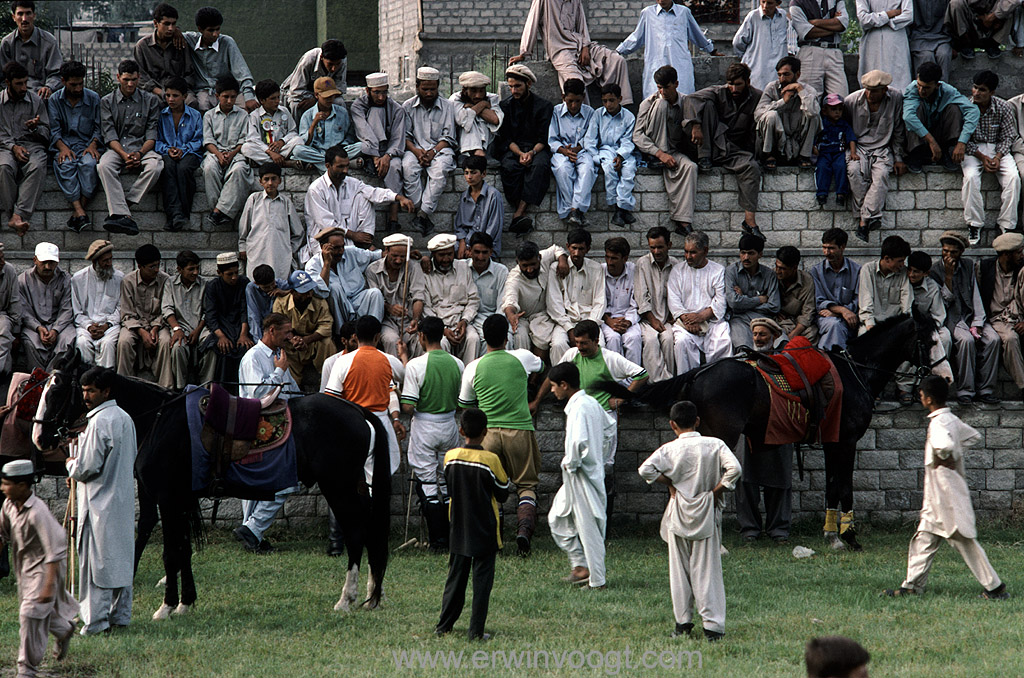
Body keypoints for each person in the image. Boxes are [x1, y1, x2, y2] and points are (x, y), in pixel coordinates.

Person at [882, 375, 1009, 600]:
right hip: (939, 495)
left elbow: (945, 445)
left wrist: (944, 457)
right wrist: (955, 455)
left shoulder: (938, 424)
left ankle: (995, 587)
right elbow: (973, 436)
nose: (920, 398)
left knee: (964, 542)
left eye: (921, 395)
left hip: (945, 495)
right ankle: (911, 586)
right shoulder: (950, 419)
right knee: (924, 539)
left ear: (929, 399)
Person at [638, 400, 741, 641]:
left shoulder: (668, 450)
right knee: (707, 569)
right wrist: (716, 492)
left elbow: (645, 470)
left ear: (672, 424)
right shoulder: (715, 445)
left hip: (679, 511)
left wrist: (671, 484)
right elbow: (734, 469)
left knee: (679, 570)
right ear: (697, 421)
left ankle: (683, 624)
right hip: (706, 511)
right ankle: (712, 627)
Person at [532, 319, 646, 519]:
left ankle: (604, 518)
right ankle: (581, 514)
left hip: (603, 420)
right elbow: (553, 376)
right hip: (577, 417)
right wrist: (536, 401)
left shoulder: (610, 359)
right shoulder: (571, 355)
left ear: (596, 340)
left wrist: (622, 399)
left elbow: (641, 374)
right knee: (576, 463)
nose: (580, 347)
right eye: (577, 342)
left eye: (584, 343)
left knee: (605, 467)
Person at [458, 314, 544, 555]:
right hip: (520, 430)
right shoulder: (522, 358)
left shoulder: (473, 367)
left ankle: (495, 539)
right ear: (508, 336)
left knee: (490, 489)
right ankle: (524, 532)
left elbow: (466, 404)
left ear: (484, 337)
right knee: (526, 485)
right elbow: (542, 366)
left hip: (488, 436)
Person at [67, 366, 137, 635]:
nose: (86, 396)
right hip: (120, 499)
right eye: (84, 390)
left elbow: (87, 468)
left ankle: (96, 623)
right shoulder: (125, 418)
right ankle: (120, 616)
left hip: (98, 502)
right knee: (119, 558)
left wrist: (71, 464)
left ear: (106, 391)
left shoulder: (99, 422)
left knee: (97, 564)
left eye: (91, 391)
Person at [434, 408, 509, 641]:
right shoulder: (491, 460)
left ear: (460, 430)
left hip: (458, 525)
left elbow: (448, 483)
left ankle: (443, 626)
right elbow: (503, 492)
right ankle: (475, 631)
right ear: (486, 432)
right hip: (485, 527)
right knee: (482, 581)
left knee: (455, 578)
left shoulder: (450, 457)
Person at [0, 459, 78, 675]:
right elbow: (2, 534)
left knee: (29, 613)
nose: (2, 488)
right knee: (38, 611)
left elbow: (56, 550)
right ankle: (64, 630)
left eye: (7, 484)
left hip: (47, 568)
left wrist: (48, 586)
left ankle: (26, 668)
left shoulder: (38, 512)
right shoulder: (8, 505)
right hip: (25, 567)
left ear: (23, 486)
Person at [234, 313, 300, 553]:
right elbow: (256, 396)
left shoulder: (278, 356)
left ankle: (251, 532)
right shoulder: (253, 357)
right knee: (263, 483)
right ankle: (250, 530)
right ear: (271, 330)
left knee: (266, 483)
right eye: (286, 332)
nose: (290, 336)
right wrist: (279, 372)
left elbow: (292, 392)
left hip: (279, 427)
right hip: (258, 428)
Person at [400, 316, 465, 551]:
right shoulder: (458, 364)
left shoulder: (416, 365)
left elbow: (407, 405)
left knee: (428, 483)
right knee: (446, 482)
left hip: (425, 426)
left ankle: (439, 541)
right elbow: (461, 402)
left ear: (422, 336)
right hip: (449, 424)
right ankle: (452, 536)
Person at [547, 362, 609, 590]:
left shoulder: (581, 407)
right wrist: (600, 455)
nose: (552, 391)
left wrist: (571, 463)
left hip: (581, 473)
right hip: (581, 471)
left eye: (554, 386)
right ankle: (580, 566)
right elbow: (609, 428)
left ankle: (597, 580)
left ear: (564, 385)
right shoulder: (589, 403)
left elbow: (578, 441)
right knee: (557, 518)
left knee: (588, 526)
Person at [684, 62, 762, 235]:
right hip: (711, 145)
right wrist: (696, 125)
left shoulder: (757, 96)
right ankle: (704, 157)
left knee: (752, 167)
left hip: (734, 150)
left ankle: (749, 222)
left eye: (738, 84)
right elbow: (691, 99)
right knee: (707, 105)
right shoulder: (718, 92)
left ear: (748, 82)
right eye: (730, 84)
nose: (733, 88)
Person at [324, 315, 406, 476]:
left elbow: (331, 398)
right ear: (377, 337)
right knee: (379, 476)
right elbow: (404, 375)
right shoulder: (389, 360)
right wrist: (403, 356)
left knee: (354, 475)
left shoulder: (342, 362)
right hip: (381, 423)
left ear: (355, 336)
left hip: (352, 424)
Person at [511, 0, 632, 105]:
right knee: (575, 82)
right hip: (560, 50)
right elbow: (532, 22)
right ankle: (585, 120)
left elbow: (582, 26)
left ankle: (619, 110)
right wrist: (524, 52)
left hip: (581, 44)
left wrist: (585, 47)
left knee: (617, 61)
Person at [738, 317, 794, 544]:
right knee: (745, 480)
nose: (758, 339)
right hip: (748, 429)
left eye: (763, 334)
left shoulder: (784, 362)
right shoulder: (743, 362)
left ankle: (778, 529)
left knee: (779, 478)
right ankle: (749, 529)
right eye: (755, 334)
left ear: (773, 336)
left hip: (780, 426)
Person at [930, 230, 1000, 405]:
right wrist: (948, 276)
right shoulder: (935, 270)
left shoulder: (968, 266)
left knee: (993, 339)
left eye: (953, 252)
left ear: (961, 253)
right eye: (945, 251)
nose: (948, 255)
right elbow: (944, 302)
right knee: (966, 340)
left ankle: (985, 389)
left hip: (971, 316)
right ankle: (965, 391)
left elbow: (975, 295)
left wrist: (978, 322)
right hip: (952, 319)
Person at [304, 147, 413, 256]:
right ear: (328, 166)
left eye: (347, 166)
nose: (345, 170)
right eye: (340, 167)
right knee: (347, 254)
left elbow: (373, 192)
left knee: (365, 196)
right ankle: (366, 248)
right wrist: (353, 235)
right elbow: (326, 224)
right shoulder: (316, 190)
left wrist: (399, 198)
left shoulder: (351, 182)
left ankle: (365, 242)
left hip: (352, 237)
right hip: (327, 240)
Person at [98, 59, 164, 236]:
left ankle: (125, 205)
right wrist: (124, 154)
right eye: (126, 79)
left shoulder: (150, 100)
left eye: (134, 79)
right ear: (118, 77)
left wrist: (140, 153)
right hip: (117, 148)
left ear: (139, 78)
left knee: (156, 166)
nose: (130, 83)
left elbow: (152, 134)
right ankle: (123, 214)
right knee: (104, 166)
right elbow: (109, 133)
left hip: (142, 148)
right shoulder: (107, 101)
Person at [633, 65, 698, 237]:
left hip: (675, 150)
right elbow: (637, 136)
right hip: (654, 151)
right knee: (661, 104)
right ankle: (658, 158)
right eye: (659, 87)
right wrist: (659, 153)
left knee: (691, 167)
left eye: (666, 87)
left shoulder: (685, 101)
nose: (662, 91)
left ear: (676, 84)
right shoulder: (648, 103)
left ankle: (683, 222)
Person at [843, 70, 908, 241]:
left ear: (885, 89)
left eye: (875, 91)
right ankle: (871, 216)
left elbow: (899, 130)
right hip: (857, 147)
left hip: (883, 148)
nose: (870, 94)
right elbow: (846, 129)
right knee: (854, 171)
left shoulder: (896, 98)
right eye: (868, 90)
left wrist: (899, 157)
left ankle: (863, 220)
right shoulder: (851, 101)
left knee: (881, 176)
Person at [492, 64, 553, 235]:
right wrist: (520, 153)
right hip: (514, 149)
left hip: (537, 148)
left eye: (517, 86)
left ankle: (520, 212)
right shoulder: (505, 106)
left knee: (540, 167)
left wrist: (531, 153)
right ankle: (520, 213)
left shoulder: (544, 106)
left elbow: (544, 137)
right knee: (510, 167)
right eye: (510, 86)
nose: (513, 90)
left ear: (528, 84)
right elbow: (506, 137)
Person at [617, 0, 720, 99]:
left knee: (684, 99)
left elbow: (697, 34)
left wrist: (711, 50)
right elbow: (636, 37)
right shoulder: (648, 13)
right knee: (655, 101)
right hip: (656, 64)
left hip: (680, 65)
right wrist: (618, 51)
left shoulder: (683, 12)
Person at [962, 69, 1018, 244]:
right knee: (970, 178)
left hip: (997, 148)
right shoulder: (965, 106)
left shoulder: (1004, 106)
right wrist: (982, 157)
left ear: (991, 92)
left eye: (982, 90)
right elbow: (963, 139)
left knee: (1013, 178)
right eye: (975, 88)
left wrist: (998, 157)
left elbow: (1009, 135)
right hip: (973, 149)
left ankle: (1006, 225)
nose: (977, 93)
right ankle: (974, 224)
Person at [48, 59, 101, 233]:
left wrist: (93, 145)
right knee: (65, 165)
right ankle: (80, 212)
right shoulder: (55, 100)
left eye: (80, 84)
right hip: (64, 145)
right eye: (73, 84)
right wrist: (62, 148)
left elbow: (99, 128)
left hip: (86, 145)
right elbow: (54, 130)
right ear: (63, 81)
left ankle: (78, 213)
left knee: (89, 165)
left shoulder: (93, 98)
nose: (78, 88)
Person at [402, 67, 456, 236]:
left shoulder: (448, 106)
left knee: (440, 172)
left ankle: (423, 214)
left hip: (440, 150)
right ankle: (420, 210)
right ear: (417, 87)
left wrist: (432, 152)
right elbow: (405, 137)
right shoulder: (408, 106)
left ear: (438, 86)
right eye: (425, 89)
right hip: (414, 149)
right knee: (408, 168)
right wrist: (418, 152)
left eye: (433, 89)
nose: (429, 93)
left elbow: (448, 137)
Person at [667, 230, 731, 373]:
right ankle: (687, 384)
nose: (688, 256)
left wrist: (701, 317)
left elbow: (720, 300)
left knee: (723, 341)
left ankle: (719, 383)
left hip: (712, 321)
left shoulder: (717, 271)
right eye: (686, 252)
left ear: (705, 251)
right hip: (685, 323)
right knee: (682, 342)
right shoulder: (678, 270)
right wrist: (687, 320)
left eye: (693, 252)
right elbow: (674, 299)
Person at [350, 73, 405, 232]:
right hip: (367, 149)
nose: (381, 97)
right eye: (377, 92)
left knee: (395, 167)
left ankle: (393, 218)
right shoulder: (358, 106)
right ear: (367, 91)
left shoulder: (396, 109)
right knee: (375, 112)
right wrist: (375, 156)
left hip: (389, 152)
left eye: (384, 92)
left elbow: (398, 138)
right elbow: (364, 132)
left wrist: (387, 156)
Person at [902, 61, 979, 175]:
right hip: (919, 137)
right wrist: (931, 141)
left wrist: (962, 142)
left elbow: (973, 110)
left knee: (954, 109)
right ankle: (916, 154)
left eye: (927, 88)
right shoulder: (912, 89)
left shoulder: (948, 91)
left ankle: (947, 152)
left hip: (940, 133)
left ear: (937, 85)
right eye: (919, 85)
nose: (921, 91)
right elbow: (908, 117)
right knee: (915, 110)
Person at [0, 61, 48, 235]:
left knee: (38, 165)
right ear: (8, 83)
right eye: (18, 83)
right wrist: (13, 147)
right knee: (4, 168)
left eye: (25, 83)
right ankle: (12, 216)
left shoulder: (35, 101)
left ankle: (19, 214)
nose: (23, 87)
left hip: (31, 145)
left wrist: (35, 128)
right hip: (4, 147)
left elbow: (46, 132)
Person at [898, 250, 952, 403]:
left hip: (927, 326)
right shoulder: (902, 281)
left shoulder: (932, 287)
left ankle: (931, 382)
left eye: (916, 272)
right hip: (907, 325)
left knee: (945, 337)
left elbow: (938, 315)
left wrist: (926, 330)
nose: (911, 275)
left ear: (926, 273)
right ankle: (905, 387)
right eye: (910, 270)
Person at [179, 6, 257, 112]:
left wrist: (249, 97)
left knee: (246, 110)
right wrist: (176, 31)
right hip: (204, 92)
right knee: (202, 109)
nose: (215, 34)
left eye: (218, 29)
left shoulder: (227, 42)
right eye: (210, 30)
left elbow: (242, 73)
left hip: (229, 90)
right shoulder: (190, 40)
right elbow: (174, 32)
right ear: (200, 29)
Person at [305, 226, 385, 328]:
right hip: (335, 308)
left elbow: (375, 255)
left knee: (375, 293)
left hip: (357, 300)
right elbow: (321, 292)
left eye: (342, 246)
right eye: (336, 248)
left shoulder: (351, 252)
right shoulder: (312, 265)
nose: (341, 251)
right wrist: (327, 263)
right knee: (334, 288)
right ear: (323, 247)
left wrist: (402, 254)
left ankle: (372, 334)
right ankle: (341, 335)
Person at [502, 240, 568, 361]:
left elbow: (556, 249)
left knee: (543, 336)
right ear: (517, 262)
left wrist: (562, 260)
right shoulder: (514, 278)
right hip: (521, 318)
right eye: (525, 266)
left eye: (533, 264)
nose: (529, 270)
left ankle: (535, 378)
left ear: (539, 258)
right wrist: (511, 315)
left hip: (543, 315)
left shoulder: (545, 257)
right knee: (520, 338)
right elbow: (510, 300)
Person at [202, 75, 255, 227]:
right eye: (225, 97)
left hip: (236, 153)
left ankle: (218, 211)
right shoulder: (209, 115)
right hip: (214, 153)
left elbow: (243, 140)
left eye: (233, 97)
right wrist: (218, 154)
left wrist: (231, 154)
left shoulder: (243, 115)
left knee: (239, 170)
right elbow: (208, 140)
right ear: (217, 96)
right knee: (209, 168)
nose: (230, 101)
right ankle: (219, 210)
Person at [548, 229, 606, 364]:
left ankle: (592, 383)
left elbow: (600, 301)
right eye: (574, 248)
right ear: (568, 246)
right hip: (564, 322)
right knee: (558, 345)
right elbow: (554, 304)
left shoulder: (596, 269)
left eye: (581, 249)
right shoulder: (555, 268)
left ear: (588, 249)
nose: (577, 253)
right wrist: (569, 328)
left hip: (589, 321)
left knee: (599, 346)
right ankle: (561, 382)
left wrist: (589, 327)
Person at [366, 233, 427, 359]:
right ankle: (395, 377)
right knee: (391, 340)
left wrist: (415, 319)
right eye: (394, 256)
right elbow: (375, 299)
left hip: (408, 320)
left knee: (420, 343)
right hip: (386, 321)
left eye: (402, 257)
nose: (399, 260)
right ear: (386, 251)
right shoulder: (372, 270)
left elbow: (418, 297)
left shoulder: (414, 267)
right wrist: (389, 308)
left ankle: (414, 375)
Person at [583, 83, 637, 227]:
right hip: (605, 149)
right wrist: (596, 157)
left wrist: (621, 156)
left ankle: (622, 208)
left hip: (624, 151)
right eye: (605, 101)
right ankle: (616, 206)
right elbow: (590, 139)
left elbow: (628, 140)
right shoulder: (598, 114)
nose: (608, 104)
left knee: (629, 170)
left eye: (612, 100)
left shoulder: (628, 117)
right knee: (609, 168)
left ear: (619, 99)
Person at [160, 249, 214, 390]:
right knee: (178, 348)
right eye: (191, 269)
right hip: (180, 327)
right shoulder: (170, 284)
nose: (195, 272)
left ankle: (205, 386)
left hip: (201, 327)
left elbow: (207, 312)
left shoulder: (204, 284)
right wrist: (176, 329)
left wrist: (198, 330)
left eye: (197, 268)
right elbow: (167, 309)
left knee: (211, 345)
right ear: (179, 269)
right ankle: (180, 388)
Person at [754, 55, 820, 171]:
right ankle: (768, 155)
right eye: (779, 75)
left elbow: (813, 113)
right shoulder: (772, 88)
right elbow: (758, 114)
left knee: (813, 116)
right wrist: (782, 102)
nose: (782, 78)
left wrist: (800, 90)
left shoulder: (808, 90)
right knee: (770, 115)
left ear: (797, 74)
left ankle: (804, 156)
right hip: (776, 141)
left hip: (797, 141)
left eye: (786, 74)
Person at [116, 244, 171, 384]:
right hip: (135, 325)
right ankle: (124, 386)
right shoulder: (128, 281)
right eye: (152, 266)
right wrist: (141, 331)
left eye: (158, 265)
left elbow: (166, 309)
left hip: (159, 324)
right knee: (124, 341)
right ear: (140, 266)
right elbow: (127, 313)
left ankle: (165, 388)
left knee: (165, 341)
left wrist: (154, 328)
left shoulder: (165, 280)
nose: (157, 270)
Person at [238, 162, 302, 280]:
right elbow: (244, 227)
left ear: (280, 181)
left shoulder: (285, 202)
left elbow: (298, 231)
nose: (270, 183)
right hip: (257, 252)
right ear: (260, 182)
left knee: (279, 284)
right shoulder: (254, 200)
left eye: (274, 179)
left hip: (280, 254)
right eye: (266, 179)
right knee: (256, 284)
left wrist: (289, 249)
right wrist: (243, 247)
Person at [423, 233, 480, 362]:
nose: (446, 259)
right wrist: (442, 329)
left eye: (449, 254)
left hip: (461, 320)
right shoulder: (425, 273)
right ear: (433, 255)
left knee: (473, 338)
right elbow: (426, 307)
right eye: (441, 255)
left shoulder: (463, 267)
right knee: (440, 343)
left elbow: (473, 299)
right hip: (437, 324)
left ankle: (467, 380)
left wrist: (465, 321)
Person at [156, 76, 203, 232]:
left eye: (175, 96)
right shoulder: (162, 116)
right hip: (168, 152)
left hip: (190, 153)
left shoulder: (195, 115)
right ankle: (175, 214)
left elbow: (199, 139)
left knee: (183, 169)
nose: (171, 99)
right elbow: (157, 140)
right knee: (168, 167)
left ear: (184, 96)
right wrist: (167, 149)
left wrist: (184, 149)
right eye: (168, 95)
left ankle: (182, 212)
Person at [18, 242, 73, 372]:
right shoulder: (23, 280)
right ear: (35, 260)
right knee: (29, 342)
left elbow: (67, 309)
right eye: (44, 262)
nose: (48, 267)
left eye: (52, 263)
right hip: (35, 325)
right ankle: (38, 379)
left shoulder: (66, 279)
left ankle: (54, 378)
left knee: (69, 339)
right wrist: (38, 328)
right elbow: (24, 311)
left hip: (59, 324)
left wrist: (55, 330)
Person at [272, 270, 334, 386]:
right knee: (282, 351)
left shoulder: (319, 302)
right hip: (291, 345)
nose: (309, 295)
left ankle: (328, 383)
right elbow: (279, 328)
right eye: (304, 292)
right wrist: (293, 340)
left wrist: (306, 340)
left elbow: (326, 326)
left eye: (310, 290)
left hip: (312, 342)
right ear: (292, 292)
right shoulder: (280, 303)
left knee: (327, 342)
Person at [201, 252, 253, 386]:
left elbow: (245, 310)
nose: (234, 277)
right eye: (230, 274)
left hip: (240, 326)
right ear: (219, 273)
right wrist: (221, 336)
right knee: (224, 350)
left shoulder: (243, 282)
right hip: (221, 327)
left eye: (236, 273)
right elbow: (211, 315)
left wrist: (243, 334)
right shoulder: (213, 286)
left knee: (244, 349)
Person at [549, 78, 596, 227]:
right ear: (563, 98)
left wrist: (576, 149)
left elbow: (591, 136)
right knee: (562, 169)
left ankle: (574, 210)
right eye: (570, 101)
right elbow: (552, 138)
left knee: (588, 168)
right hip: (561, 151)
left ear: (583, 97)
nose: (574, 105)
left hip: (582, 150)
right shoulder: (555, 112)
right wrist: (565, 151)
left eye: (577, 101)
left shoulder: (590, 113)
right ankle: (575, 210)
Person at [983, 233, 1024, 401]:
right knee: (1010, 338)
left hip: (1017, 316)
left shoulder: (1022, 270)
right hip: (996, 319)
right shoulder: (985, 268)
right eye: (1019, 252)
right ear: (1006, 254)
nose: (1022, 255)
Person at [635, 226, 680, 381]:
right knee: (650, 340)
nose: (656, 251)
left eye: (660, 247)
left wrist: (675, 315)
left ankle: (669, 383)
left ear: (669, 245)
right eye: (652, 247)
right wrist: (653, 320)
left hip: (668, 319)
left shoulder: (676, 264)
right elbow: (641, 297)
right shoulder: (642, 263)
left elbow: (679, 293)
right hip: (647, 319)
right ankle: (658, 384)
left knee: (668, 339)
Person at [72, 240, 122, 369]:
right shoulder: (78, 279)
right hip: (85, 326)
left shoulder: (119, 278)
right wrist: (89, 326)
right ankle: (86, 382)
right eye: (105, 261)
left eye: (110, 259)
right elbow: (77, 311)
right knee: (82, 343)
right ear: (95, 261)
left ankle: (105, 383)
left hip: (110, 326)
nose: (109, 263)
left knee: (108, 343)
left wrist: (106, 325)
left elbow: (120, 308)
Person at [293, 76, 361, 172]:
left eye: (332, 96)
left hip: (338, 151)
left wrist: (340, 149)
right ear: (316, 95)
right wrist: (314, 124)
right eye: (326, 97)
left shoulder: (342, 112)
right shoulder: (307, 115)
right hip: (318, 152)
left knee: (362, 147)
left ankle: (328, 164)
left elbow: (349, 136)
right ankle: (338, 166)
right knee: (298, 151)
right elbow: (305, 142)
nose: (330, 99)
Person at [726, 233, 781, 349]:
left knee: (781, 344)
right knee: (744, 349)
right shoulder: (731, 272)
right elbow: (733, 303)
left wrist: (744, 301)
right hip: (739, 319)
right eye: (743, 253)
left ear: (760, 254)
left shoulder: (769, 274)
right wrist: (759, 300)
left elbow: (774, 306)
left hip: (763, 319)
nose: (746, 257)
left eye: (751, 253)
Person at [133, 3, 196, 104]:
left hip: (180, 90)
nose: (171, 28)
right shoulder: (143, 46)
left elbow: (190, 73)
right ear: (155, 23)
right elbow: (141, 77)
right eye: (166, 24)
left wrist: (178, 91)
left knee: (192, 102)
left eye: (173, 24)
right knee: (154, 103)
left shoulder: (181, 43)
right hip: (154, 91)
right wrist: (160, 92)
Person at [811, 228, 862, 349]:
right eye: (824, 247)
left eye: (831, 248)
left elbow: (858, 300)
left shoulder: (856, 271)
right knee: (834, 325)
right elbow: (819, 301)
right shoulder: (816, 271)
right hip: (825, 318)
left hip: (850, 319)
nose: (826, 252)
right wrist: (842, 311)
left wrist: (839, 312)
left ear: (842, 247)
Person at [0, 1, 61, 99]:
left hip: (42, 97)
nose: (24, 19)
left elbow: (56, 73)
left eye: (28, 13)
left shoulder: (49, 41)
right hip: (15, 97)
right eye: (20, 14)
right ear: (13, 17)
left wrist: (48, 87)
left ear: (34, 15)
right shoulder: (7, 43)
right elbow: (3, 77)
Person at [788, 0, 849, 97]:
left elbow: (843, 24)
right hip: (810, 50)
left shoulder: (836, 1)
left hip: (834, 50)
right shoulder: (797, 2)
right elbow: (807, 32)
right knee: (810, 97)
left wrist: (815, 22)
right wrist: (833, 26)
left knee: (841, 97)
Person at [462, 233, 509, 357]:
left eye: (484, 252)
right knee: (472, 340)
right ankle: (470, 375)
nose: (480, 257)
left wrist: (494, 326)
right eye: (476, 252)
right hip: (466, 319)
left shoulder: (501, 271)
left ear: (491, 252)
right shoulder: (462, 267)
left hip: (491, 318)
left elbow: (501, 305)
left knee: (504, 340)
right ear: (469, 251)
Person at [280, 39, 348, 122]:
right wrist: (314, 98)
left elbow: (340, 88)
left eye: (337, 64)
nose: (334, 68)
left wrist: (317, 99)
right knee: (296, 104)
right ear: (322, 57)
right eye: (330, 64)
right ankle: (297, 132)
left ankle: (338, 130)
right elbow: (296, 90)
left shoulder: (342, 60)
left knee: (339, 102)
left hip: (325, 95)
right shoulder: (309, 59)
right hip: (302, 93)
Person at [240, 79, 302, 168]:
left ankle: (268, 162)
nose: (277, 101)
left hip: (282, 149)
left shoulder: (284, 111)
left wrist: (282, 142)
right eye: (273, 98)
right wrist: (270, 152)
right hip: (265, 151)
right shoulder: (254, 116)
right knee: (246, 148)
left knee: (298, 140)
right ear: (262, 100)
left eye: (278, 97)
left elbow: (293, 132)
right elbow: (253, 139)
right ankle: (284, 163)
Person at [733, 0, 792, 91]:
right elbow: (738, 42)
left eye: (769, 3)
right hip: (757, 70)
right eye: (763, 2)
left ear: (778, 3)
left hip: (777, 71)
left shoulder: (783, 16)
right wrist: (750, 57)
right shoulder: (753, 16)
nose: (765, 6)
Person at [454, 155, 505, 258]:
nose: (469, 177)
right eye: (466, 173)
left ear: (483, 174)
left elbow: (493, 229)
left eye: (473, 172)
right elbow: (459, 226)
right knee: (445, 250)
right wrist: (463, 243)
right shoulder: (464, 196)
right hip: (466, 243)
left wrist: (473, 248)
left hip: (486, 245)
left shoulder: (493, 195)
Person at [857, 0, 914, 91]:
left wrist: (883, 20)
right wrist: (890, 14)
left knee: (899, 80)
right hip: (872, 41)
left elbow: (908, 16)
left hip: (896, 39)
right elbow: (864, 19)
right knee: (872, 80)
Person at [601, 237, 641, 365]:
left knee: (633, 338)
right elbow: (596, 303)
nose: (609, 262)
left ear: (625, 258)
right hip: (606, 319)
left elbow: (636, 303)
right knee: (613, 338)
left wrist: (628, 322)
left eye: (614, 258)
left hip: (628, 319)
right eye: (607, 257)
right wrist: (609, 321)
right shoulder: (599, 271)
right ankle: (616, 382)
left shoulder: (634, 271)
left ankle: (634, 380)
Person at [859, 235, 911, 332]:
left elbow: (907, 304)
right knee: (864, 336)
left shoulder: (903, 272)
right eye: (900, 261)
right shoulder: (868, 270)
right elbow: (866, 302)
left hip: (896, 326)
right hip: (872, 324)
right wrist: (871, 327)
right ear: (887, 259)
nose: (902, 265)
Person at [814, 93, 857, 208]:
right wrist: (814, 148)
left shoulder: (844, 125)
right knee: (822, 168)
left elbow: (851, 138)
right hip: (824, 153)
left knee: (841, 167)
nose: (837, 112)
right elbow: (814, 137)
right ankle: (822, 194)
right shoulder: (821, 123)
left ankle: (841, 194)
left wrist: (853, 153)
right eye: (833, 109)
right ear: (824, 111)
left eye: (839, 109)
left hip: (839, 152)